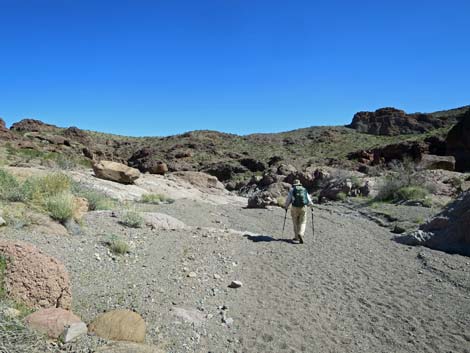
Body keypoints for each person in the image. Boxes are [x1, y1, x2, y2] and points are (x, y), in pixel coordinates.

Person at [284, 179, 313, 244]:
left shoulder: (292, 190)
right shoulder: (304, 189)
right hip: (303, 207)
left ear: (294, 184)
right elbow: (308, 199)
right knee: (303, 222)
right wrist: (311, 206)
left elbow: (289, 199)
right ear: (300, 184)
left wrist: (286, 206)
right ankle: (301, 234)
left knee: (295, 222)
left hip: (294, 208)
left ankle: (296, 237)